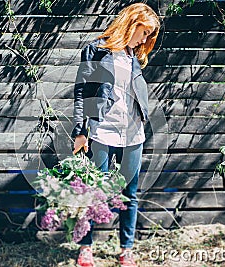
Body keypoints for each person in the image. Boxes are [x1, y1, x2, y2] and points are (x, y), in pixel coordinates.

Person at [71, 3, 160, 267]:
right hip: (102, 131)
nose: (144, 39)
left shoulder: (134, 56)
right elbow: (82, 93)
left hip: (133, 134)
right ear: (132, 23)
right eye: (143, 32)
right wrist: (80, 131)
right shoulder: (97, 49)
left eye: (148, 35)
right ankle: (86, 249)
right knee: (93, 191)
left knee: (129, 194)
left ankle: (126, 250)